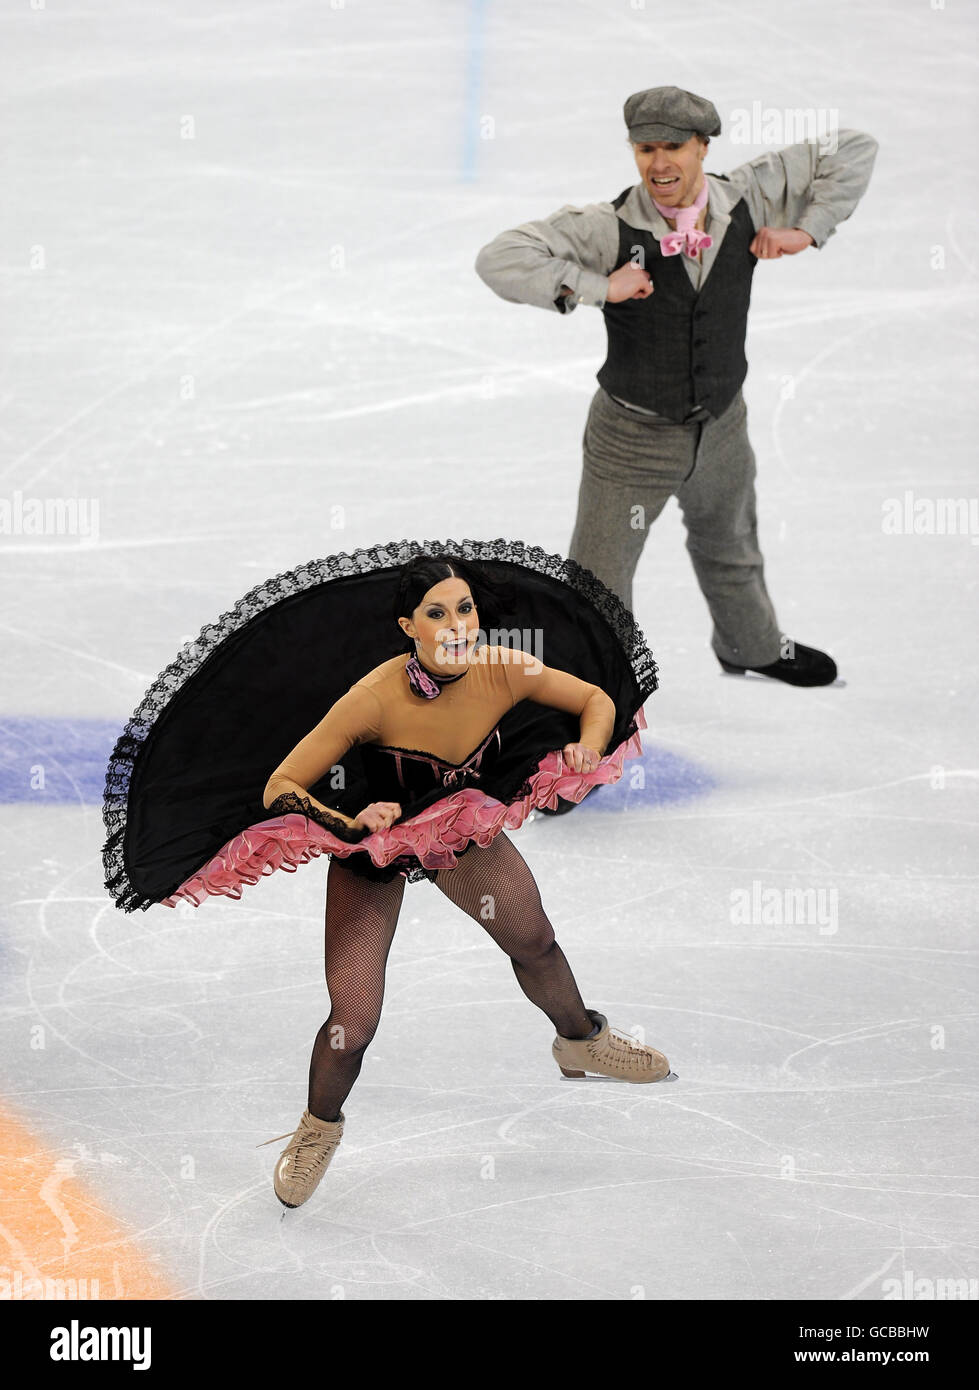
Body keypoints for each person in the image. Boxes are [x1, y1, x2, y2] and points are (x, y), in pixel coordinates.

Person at [101, 540, 670, 1210]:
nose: (457, 625)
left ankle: (581, 1043)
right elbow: (281, 785)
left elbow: (595, 698)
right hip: (370, 851)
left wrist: (588, 742)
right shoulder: (371, 698)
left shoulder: (504, 668)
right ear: (408, 628)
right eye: (437, 613)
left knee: (533, 941)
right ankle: (318, 1127)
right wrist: (347, 826)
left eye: (465, 608)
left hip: (455, 829)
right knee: (354, 1021)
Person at [475, 85, 879, 688]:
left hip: (721, 425)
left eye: (673, 147)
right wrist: (598, 287)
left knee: (731, 542)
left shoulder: (751, 194)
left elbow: (853, 147)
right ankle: (601, 687)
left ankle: (752, 646)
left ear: (702, 146)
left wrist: (809, 229)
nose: (658, 164)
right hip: (632, 439)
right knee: (599, 577)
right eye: (644, 148)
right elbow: (500, 257)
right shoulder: (606, 228)